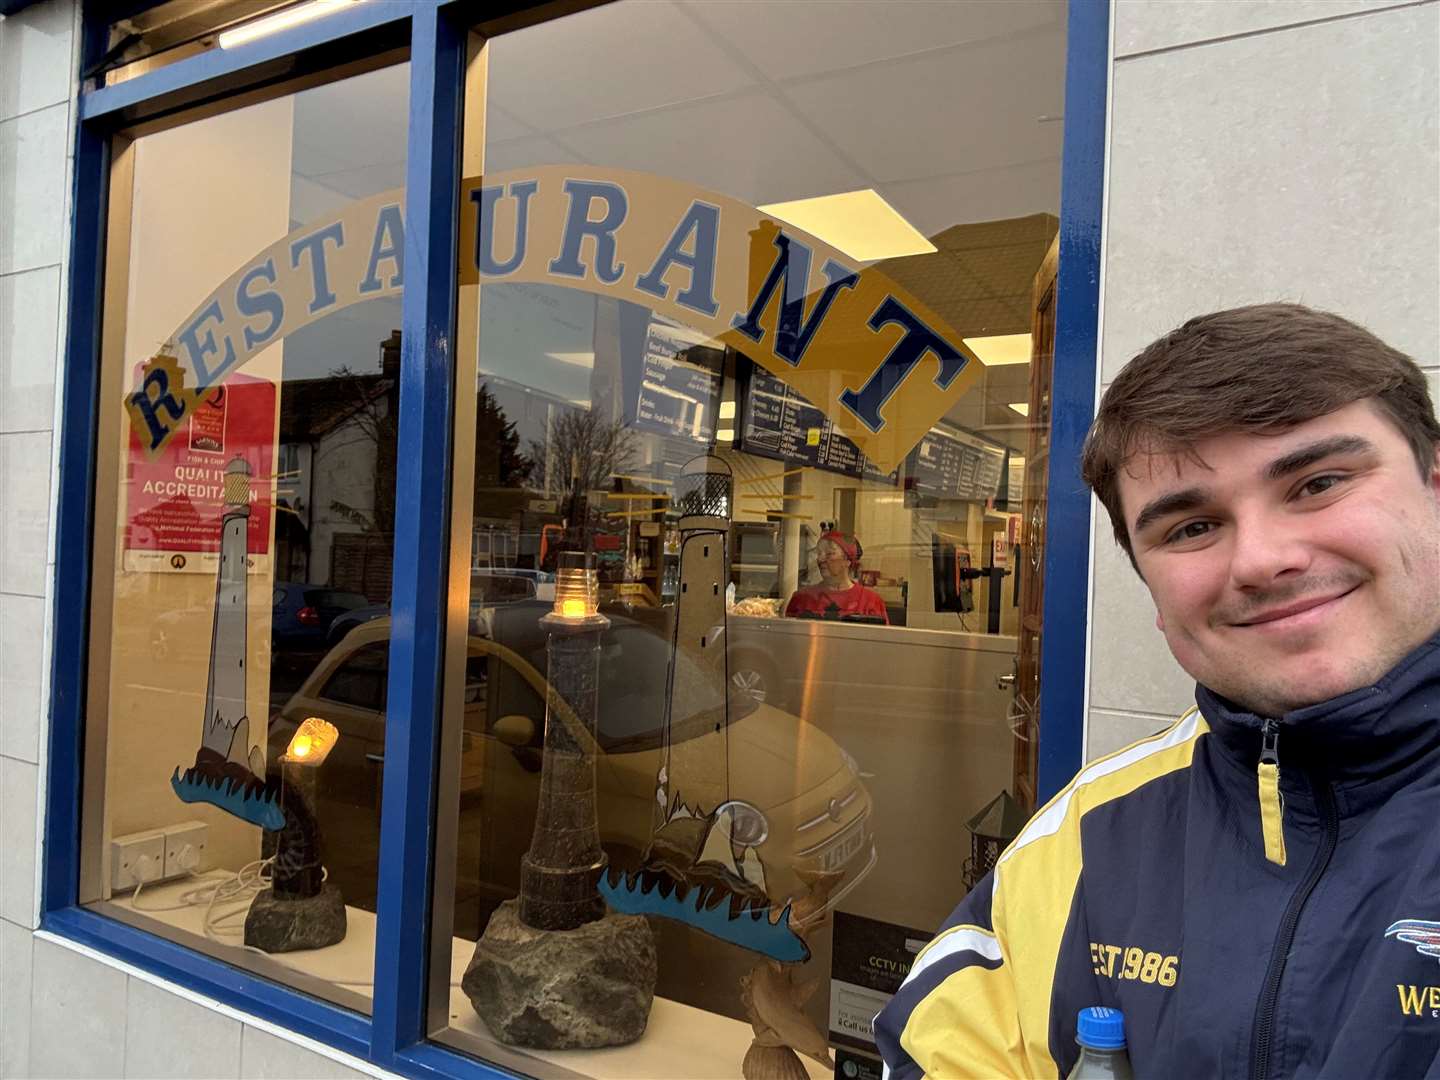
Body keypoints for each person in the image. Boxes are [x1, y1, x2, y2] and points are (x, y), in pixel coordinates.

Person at [875, 304, 1440, 1079]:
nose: (1262, 560)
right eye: (1191, 529)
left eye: (1318, 483)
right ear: (1153, 592)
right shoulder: (1079, 841)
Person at [784, 530, 889, 623]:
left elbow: (881, 642)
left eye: (829, 553)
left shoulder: (870, 601)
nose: (821, 559)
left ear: (848, 560)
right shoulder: (802, 598)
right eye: (819, 553)